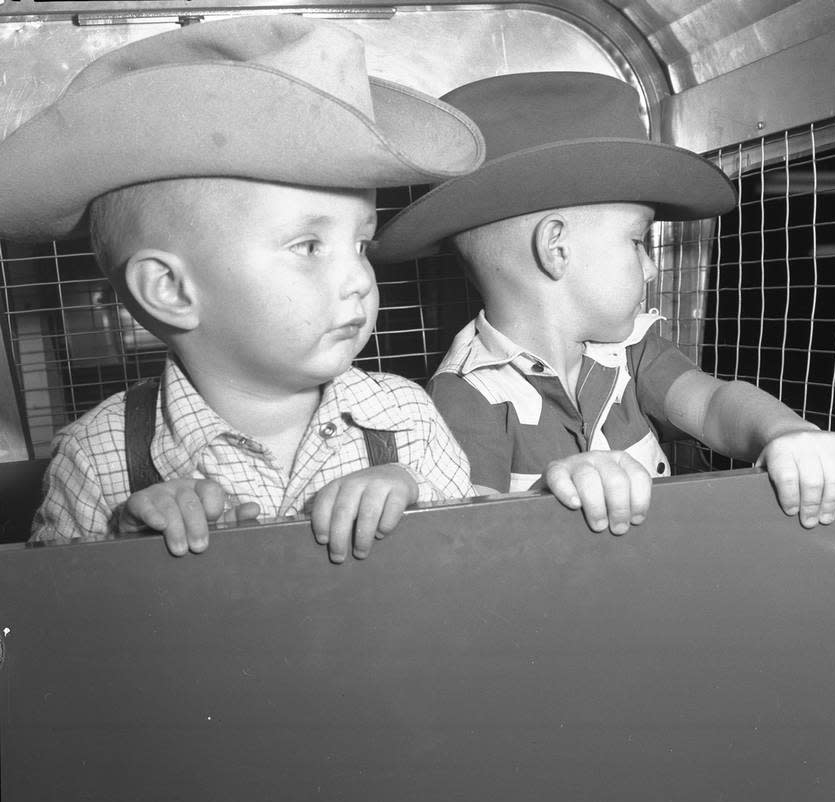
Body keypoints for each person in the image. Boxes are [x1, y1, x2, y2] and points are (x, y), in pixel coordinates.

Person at [0, 18, 636, 562]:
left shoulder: (406, 418)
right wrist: (125, 552)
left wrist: (546, 497)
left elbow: (484, 564)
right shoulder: (99, 455)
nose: (360, 278)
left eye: (361, 244)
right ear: (169, 289)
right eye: (309, 247)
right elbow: (52, 643)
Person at [371, 72, 835, 528]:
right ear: (556, 250)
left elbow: (713, 403)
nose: (651, 267)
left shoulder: (631, 348)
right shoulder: (467, 393)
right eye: (637, 241)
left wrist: (785, 433)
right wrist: (553, 490)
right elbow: (468, 525)